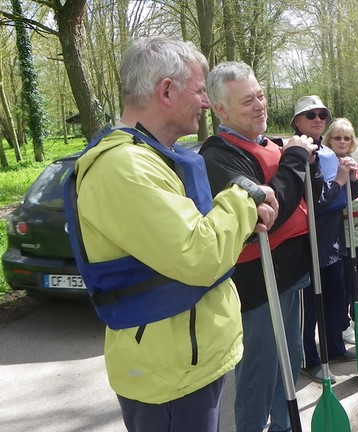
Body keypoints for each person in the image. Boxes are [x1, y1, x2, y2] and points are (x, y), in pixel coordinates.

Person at [64, 37, 278, 432]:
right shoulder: (123, 167)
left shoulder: (157, 157)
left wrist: (241, 220)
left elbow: (191, 232)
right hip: (169, 377)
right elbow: (199, 253)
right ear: (166, 90)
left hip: (189, 362)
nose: (205, 102)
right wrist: (245, 198)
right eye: (199, 90)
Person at [198, 62, 317, 432]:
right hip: (258, 283)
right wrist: (296, 158)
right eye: (247, 100)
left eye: (261, 96)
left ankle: (284, 427)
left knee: (290, 360)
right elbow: (266, 214)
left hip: (289, 275)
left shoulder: (268, 144)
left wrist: (297, 156)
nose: (260, 105)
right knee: (259, 371)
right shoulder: (218, 156)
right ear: (221, 110)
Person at [293, 96, 358, 382]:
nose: (318, 119)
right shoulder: (295, 155)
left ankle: (333, 347)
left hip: (333, 242)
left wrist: (352, 179)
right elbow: (315, 204)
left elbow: (347, 197)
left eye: (322, 114)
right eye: (311, 115)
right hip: (308, 245)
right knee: (311, 306)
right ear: (297, 122)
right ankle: (310, 359)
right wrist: (340, 183)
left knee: (334, 299)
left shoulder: (328, 153)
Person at [323, 118, 358, 344]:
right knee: (347, 282)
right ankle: (344, 324)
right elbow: (337, 202)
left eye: (347, 138)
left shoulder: (353, 163)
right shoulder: (329, 166)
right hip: (342, 234)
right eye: (337, 137)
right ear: (330, 140)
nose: (342, 141)